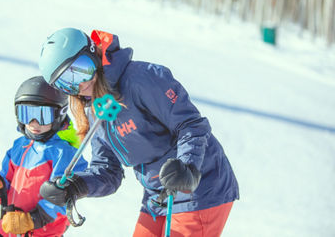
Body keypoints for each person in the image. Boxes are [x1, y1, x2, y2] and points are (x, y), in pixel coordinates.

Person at [38, 28, 239, 237]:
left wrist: (187, 165)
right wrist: (76, 186)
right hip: (157, 195)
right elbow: (107, 172)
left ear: (94, 55)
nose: (80, 83)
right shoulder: (94, 111)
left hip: (199, 186)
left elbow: (191, 125)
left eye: (81, 69)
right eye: (66, 83)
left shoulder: (141, 79)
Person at [0, 76, 88, 237]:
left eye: (43, 115)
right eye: (27, 114)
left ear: (59, 113)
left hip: (41, 232)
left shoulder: (64, 153)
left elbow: (63, 197)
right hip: (10, 227)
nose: (34, 123)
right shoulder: (19, 146)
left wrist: (32, 220)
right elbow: (8, 181)